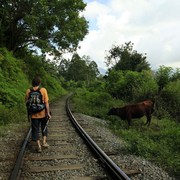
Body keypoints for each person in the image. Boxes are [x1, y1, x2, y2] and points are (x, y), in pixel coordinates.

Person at [25, 76, 51, 153]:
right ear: (39, 83)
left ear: (32, 83)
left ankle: (38, 146)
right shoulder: (43, 90)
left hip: (33, 115)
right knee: (44, 127)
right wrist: (48, 113)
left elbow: (26, 102)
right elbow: (46, 103)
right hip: (43, 114)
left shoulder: (28, 91)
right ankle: (44, 142)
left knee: (35, 130)